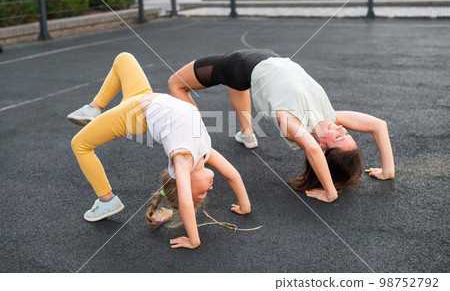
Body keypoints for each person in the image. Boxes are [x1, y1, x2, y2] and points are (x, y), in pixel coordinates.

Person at [68, 52, 251, 249]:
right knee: (124, 58)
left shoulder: (183, 160)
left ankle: (107, 200)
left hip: (135, 113)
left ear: (187, 188)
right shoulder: (203, 152)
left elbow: (186, 204)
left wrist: (194, 240)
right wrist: (245, 206)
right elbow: (232, 174)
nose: (210, 190)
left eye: (201, 194)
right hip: (145, 97)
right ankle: (93, 108)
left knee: (79, 145)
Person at [168, 49, 395, 203]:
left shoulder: (290, 124)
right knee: (237, 83)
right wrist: (387, 171)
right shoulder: (328, 117)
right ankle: (247, 133)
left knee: (176, 84)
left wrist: (330, 193)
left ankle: (198, 145)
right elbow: (378, 125)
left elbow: (312, 149)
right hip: (265, 60)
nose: (341, 129)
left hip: (243, 63)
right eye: (346, 133)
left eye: (339, 137)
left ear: (323, 147)